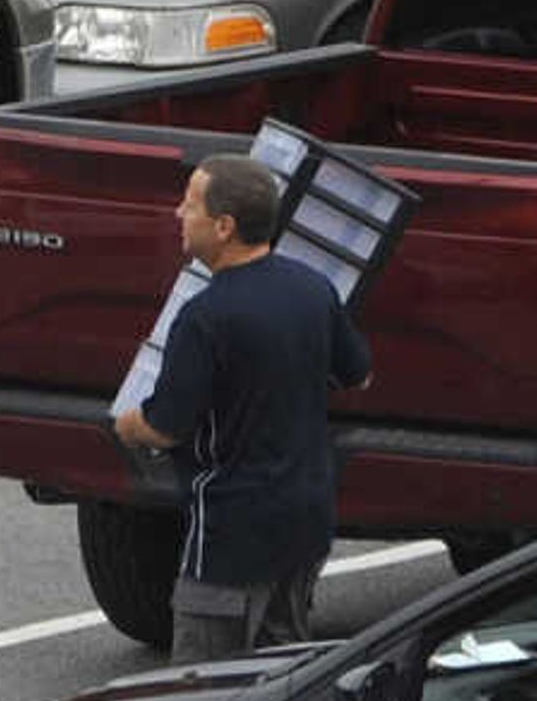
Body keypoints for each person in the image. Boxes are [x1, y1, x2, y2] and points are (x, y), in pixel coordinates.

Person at [115, 154, 372, 662]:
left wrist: (127, 426)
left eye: (189, 206)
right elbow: (358, 374)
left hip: (231, 533)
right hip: (304, 522)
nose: (177, 215)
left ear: (224, 226)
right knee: (281, 680)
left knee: (198, 694)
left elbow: (165, 428)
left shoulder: (205, 316)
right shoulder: (312, 288)